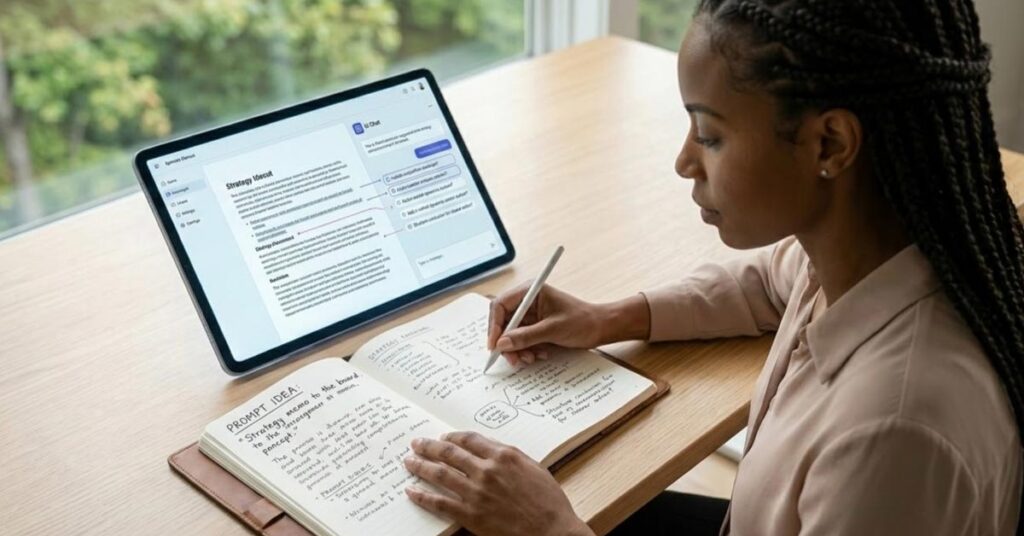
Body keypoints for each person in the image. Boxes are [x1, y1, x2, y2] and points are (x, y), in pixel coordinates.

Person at [399, 0, 1024, 534]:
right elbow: (764, 284)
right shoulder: (868, 248)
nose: (683, 161)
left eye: (710, 134)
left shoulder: (893, 436)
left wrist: (552, 528)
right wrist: (605, 317)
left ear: (830, 144)